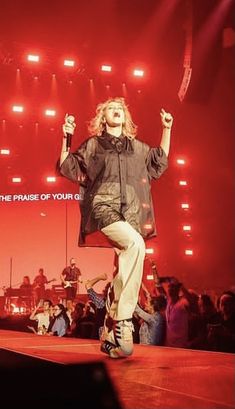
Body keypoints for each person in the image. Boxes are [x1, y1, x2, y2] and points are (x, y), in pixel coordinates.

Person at [58, 97, 173, 358]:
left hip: (129, 212)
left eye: (120, 108)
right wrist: (66, 137)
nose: (117, 111)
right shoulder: (94, 145)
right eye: (111, 108)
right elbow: (68, 166)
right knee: (136, 245)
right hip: (102, 206)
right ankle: (123, 321)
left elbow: (159, 163)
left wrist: (167, 129)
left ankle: (109, 333)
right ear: (103, 117)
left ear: (126, 117)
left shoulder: (137, 147)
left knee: (124, 266)